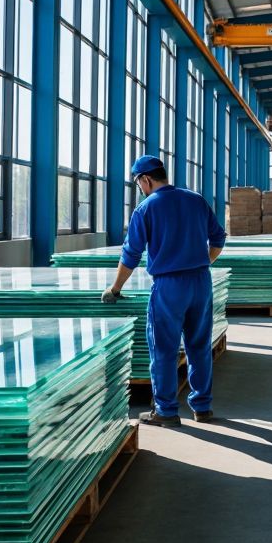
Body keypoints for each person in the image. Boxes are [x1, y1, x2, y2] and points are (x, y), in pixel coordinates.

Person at [102, 156, 226, 426]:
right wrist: (203, 262)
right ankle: (202, 408)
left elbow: (131, 254)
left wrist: (115, 288)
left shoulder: (146, 209)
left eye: (138, 184)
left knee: (164, 349)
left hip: (170, 287)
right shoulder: (196, 200)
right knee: (199, 346)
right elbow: (218, 238)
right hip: (201, 282)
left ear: (145, 179)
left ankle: (166, 412)